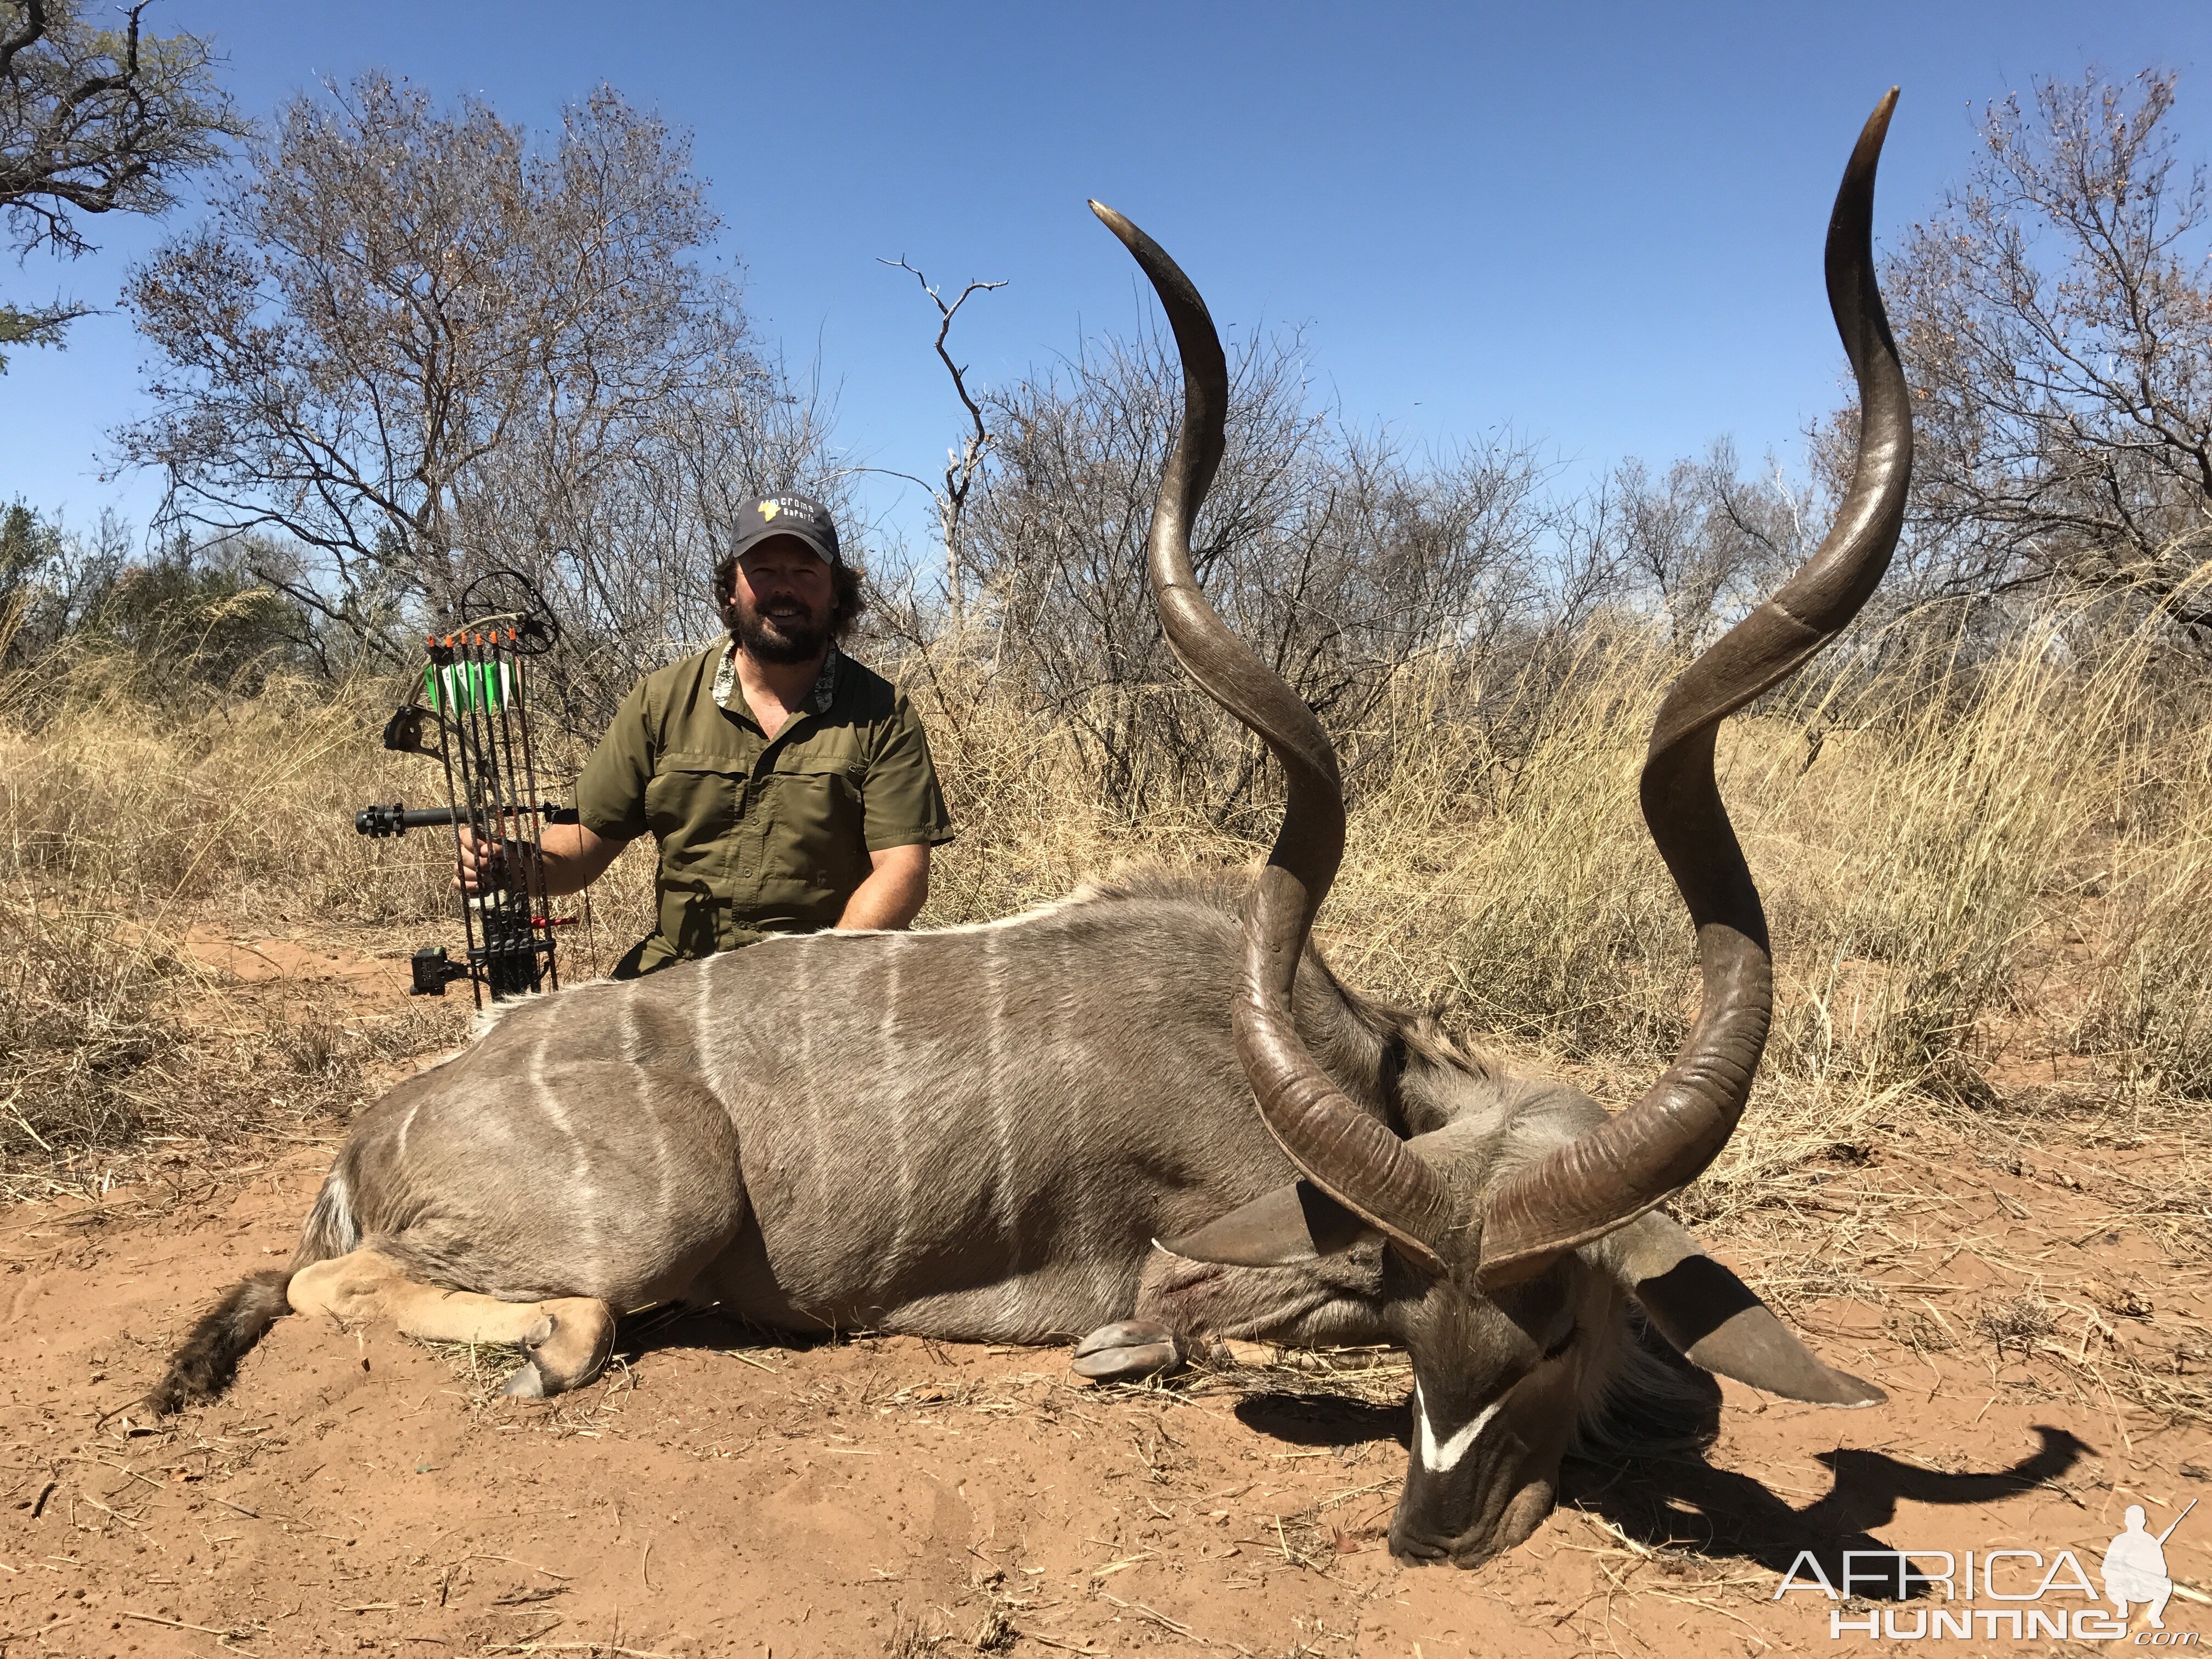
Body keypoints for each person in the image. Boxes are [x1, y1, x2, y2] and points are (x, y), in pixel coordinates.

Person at [458, 493, 953, 975]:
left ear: (836, 593)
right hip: (680, 973)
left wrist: (819, 980)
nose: (784, 588)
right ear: (731, 589)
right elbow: (583, 847)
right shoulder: (661, 699)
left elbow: (901, 873)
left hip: (821, 978)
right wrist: (511, 864)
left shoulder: (882, 712)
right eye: (763, 571)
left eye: (805, 572)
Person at [2100, 1505, 2173, 1630]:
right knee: (2111, 1583)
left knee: (2166, 1584)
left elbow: (2162, 1571)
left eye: (2138, 1520)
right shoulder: (2119, 1541)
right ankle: (2122, 1605)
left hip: (2143, 1588)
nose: (2134, 1524)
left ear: (2144, 1522)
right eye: (2132, 1520)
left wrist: (2146, 1571)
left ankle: (2154, 1615)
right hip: (2122, 1587)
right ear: (2126, 1522)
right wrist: (2124, 1572)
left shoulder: (2151, 1541)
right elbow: (2107, 1568)